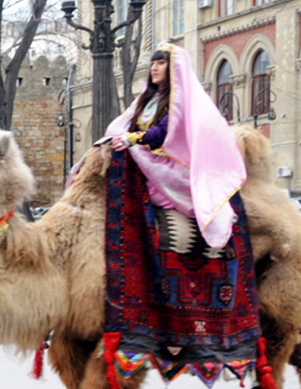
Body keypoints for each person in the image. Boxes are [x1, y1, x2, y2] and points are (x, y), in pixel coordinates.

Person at [103, 41, 246, 250]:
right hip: (146, 158)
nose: (154, 68)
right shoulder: (147, 100)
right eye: (153, 63)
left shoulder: (180, 102)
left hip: (170, 162)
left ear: (173, 68)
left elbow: (163, 132)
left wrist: (131, 139)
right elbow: (126, 125)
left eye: (161, 63)